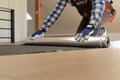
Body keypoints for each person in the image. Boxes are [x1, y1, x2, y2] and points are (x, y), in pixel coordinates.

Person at [30, 0, 115, 42]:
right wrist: (43, 29)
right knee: (79, 37)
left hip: (106, 12)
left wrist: (91, 26)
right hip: (89, 16)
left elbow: (98, 5)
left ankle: (100, 31)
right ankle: (94, 28)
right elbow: (56, 11)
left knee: (93, 34)